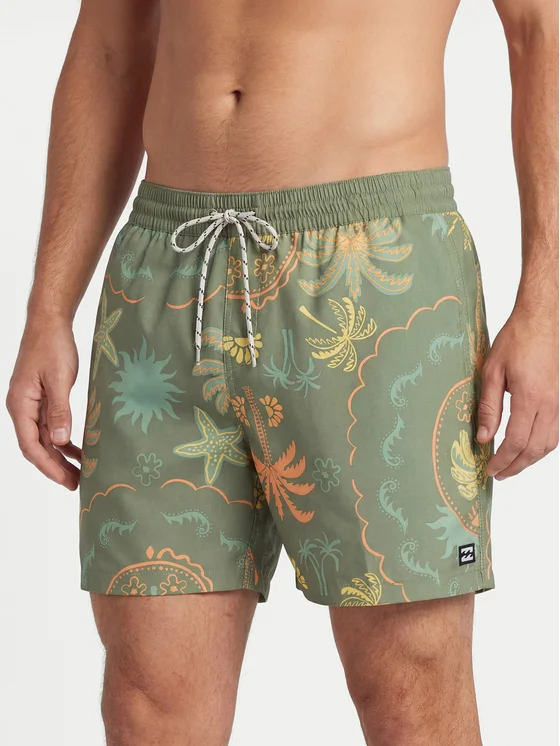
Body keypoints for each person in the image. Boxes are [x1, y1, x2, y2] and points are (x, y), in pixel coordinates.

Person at [6, 1, 558, 744]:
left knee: (410, 687)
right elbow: (111, 43)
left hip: (373, 276)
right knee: (146, 703)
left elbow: (542, 29)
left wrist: (547, 305)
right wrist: (48, 307)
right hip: (166, 277)